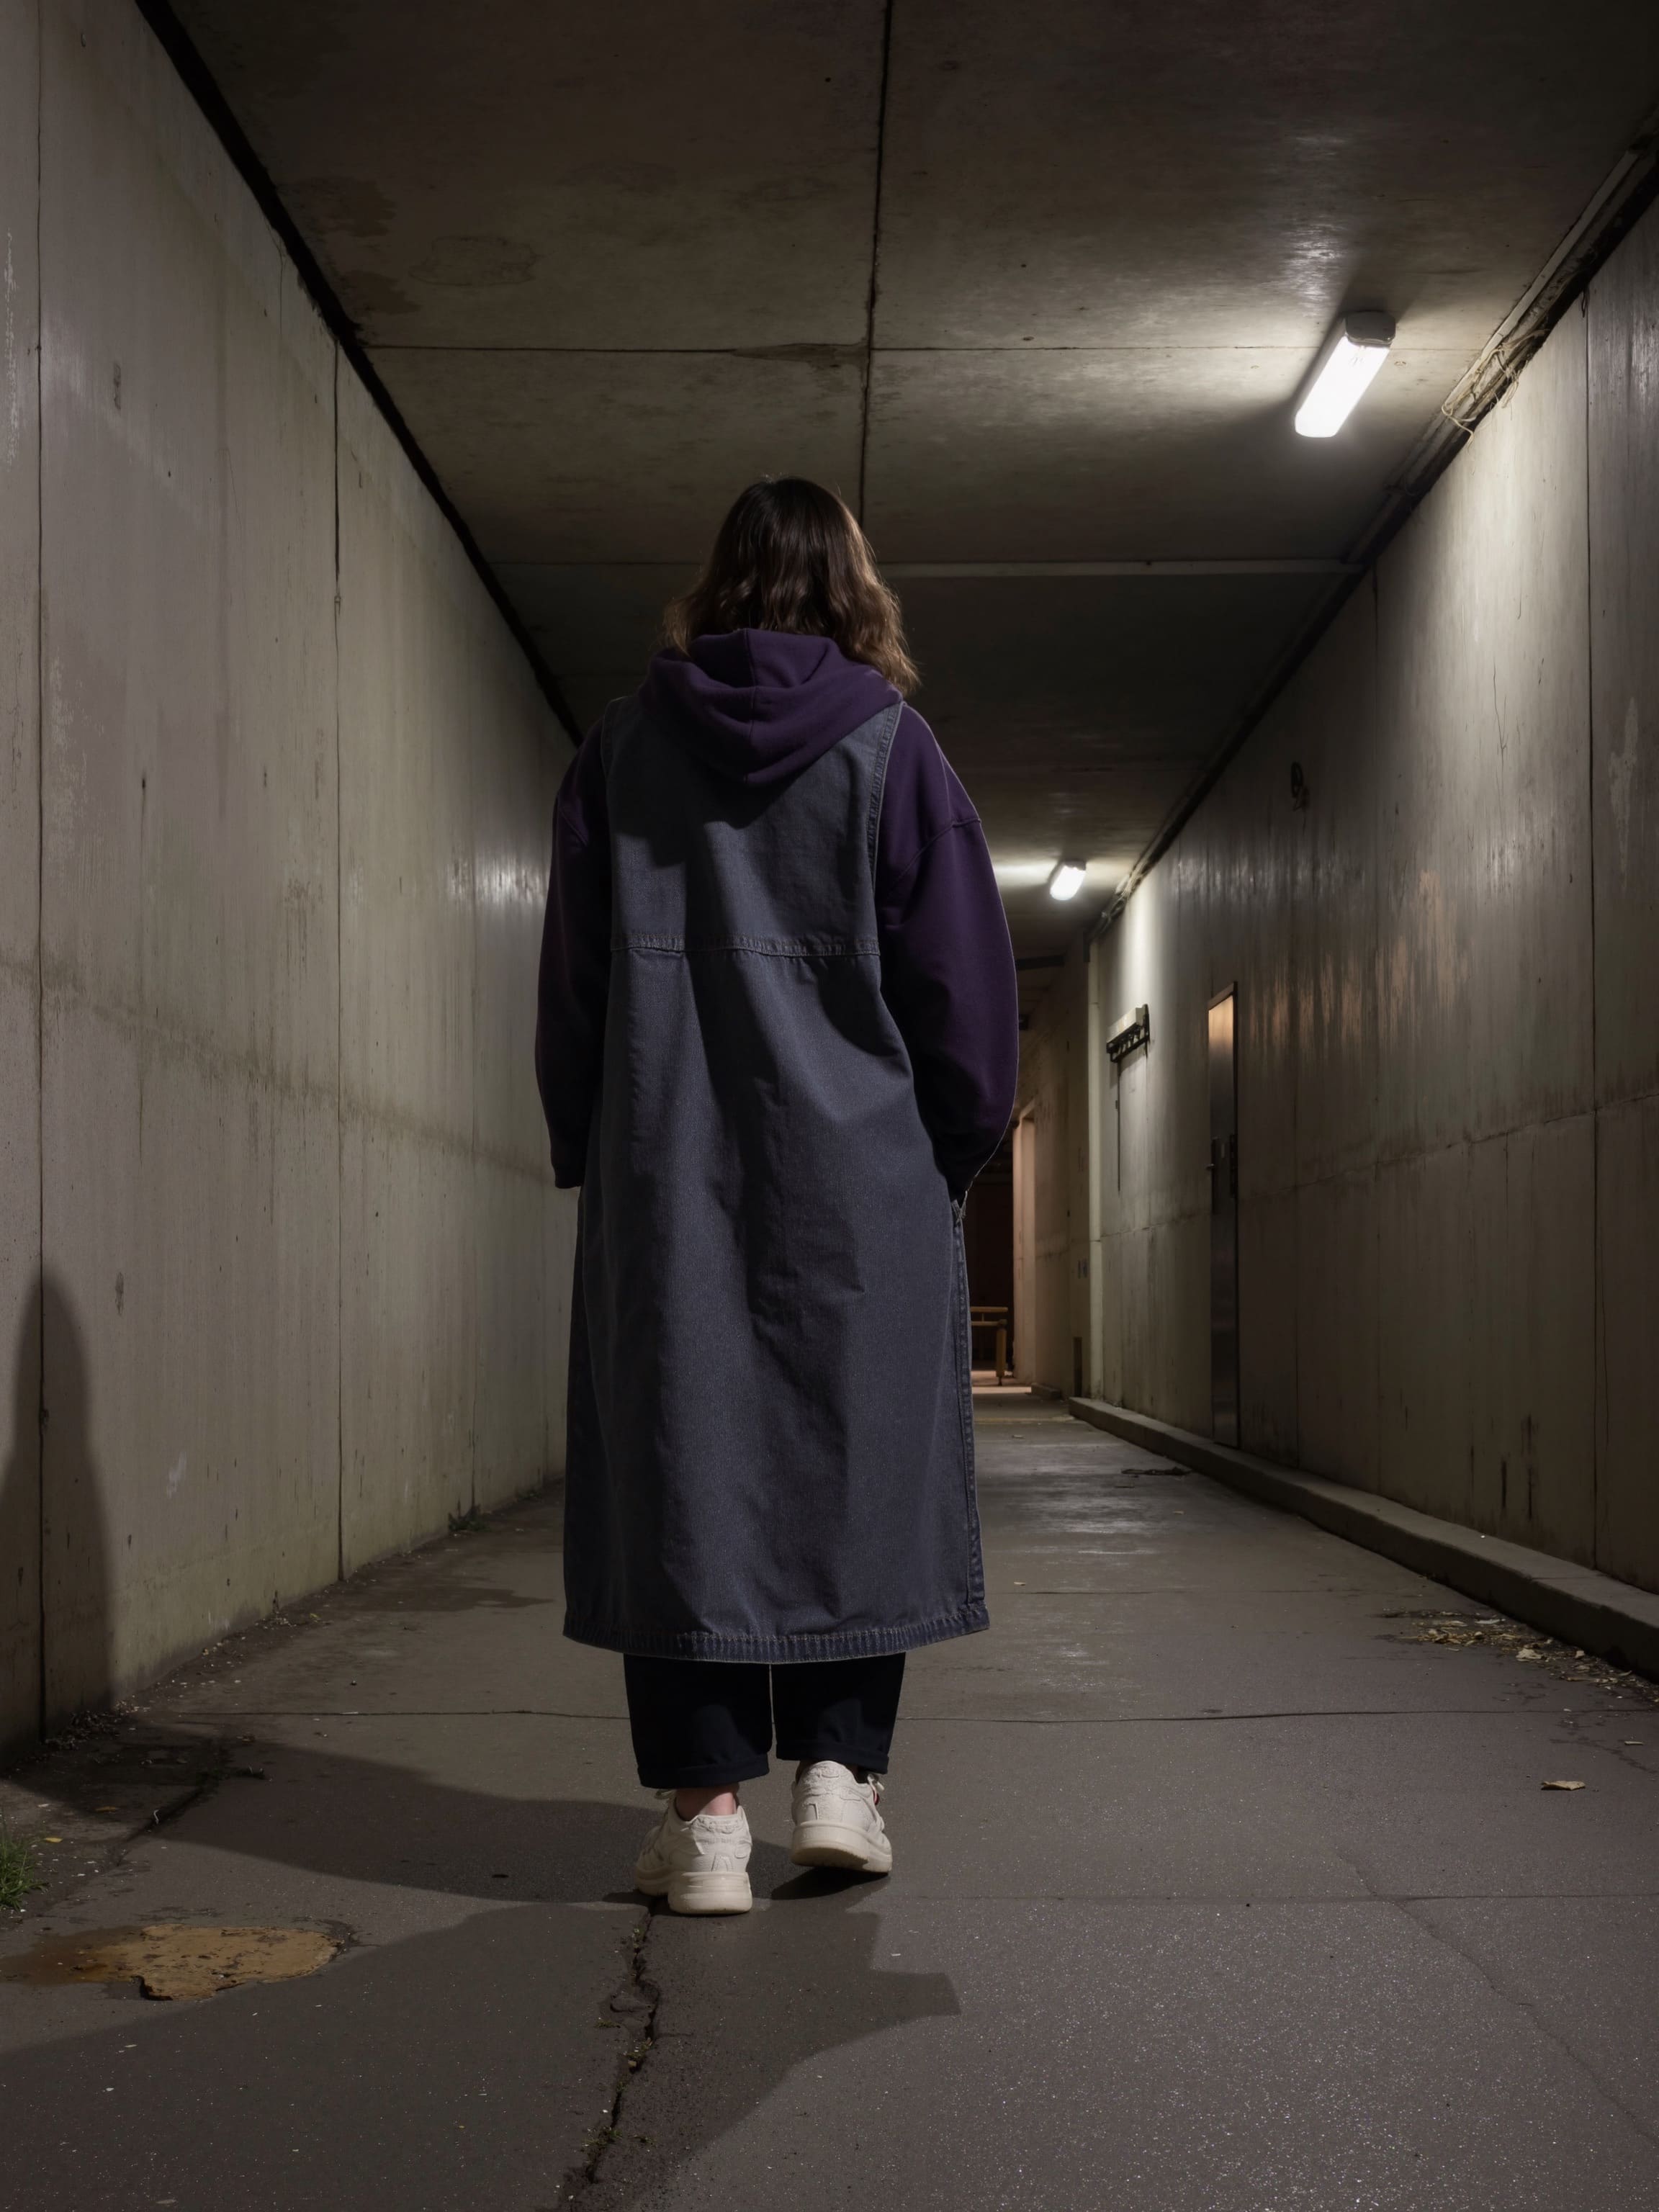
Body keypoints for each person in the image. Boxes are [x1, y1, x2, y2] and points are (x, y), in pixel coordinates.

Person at [536, 477, 1019, 1914]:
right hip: (862, 1176)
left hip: (667, 1169)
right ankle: (837, 1777)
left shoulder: (622, 752)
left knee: (680, 1470)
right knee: (855, 1463)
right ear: (853, 588)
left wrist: (590, 1147)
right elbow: (964, 993)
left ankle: (702, 1821)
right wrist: (956, 1151)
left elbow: (575, 985)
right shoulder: (897, 753)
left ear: (721, 585)